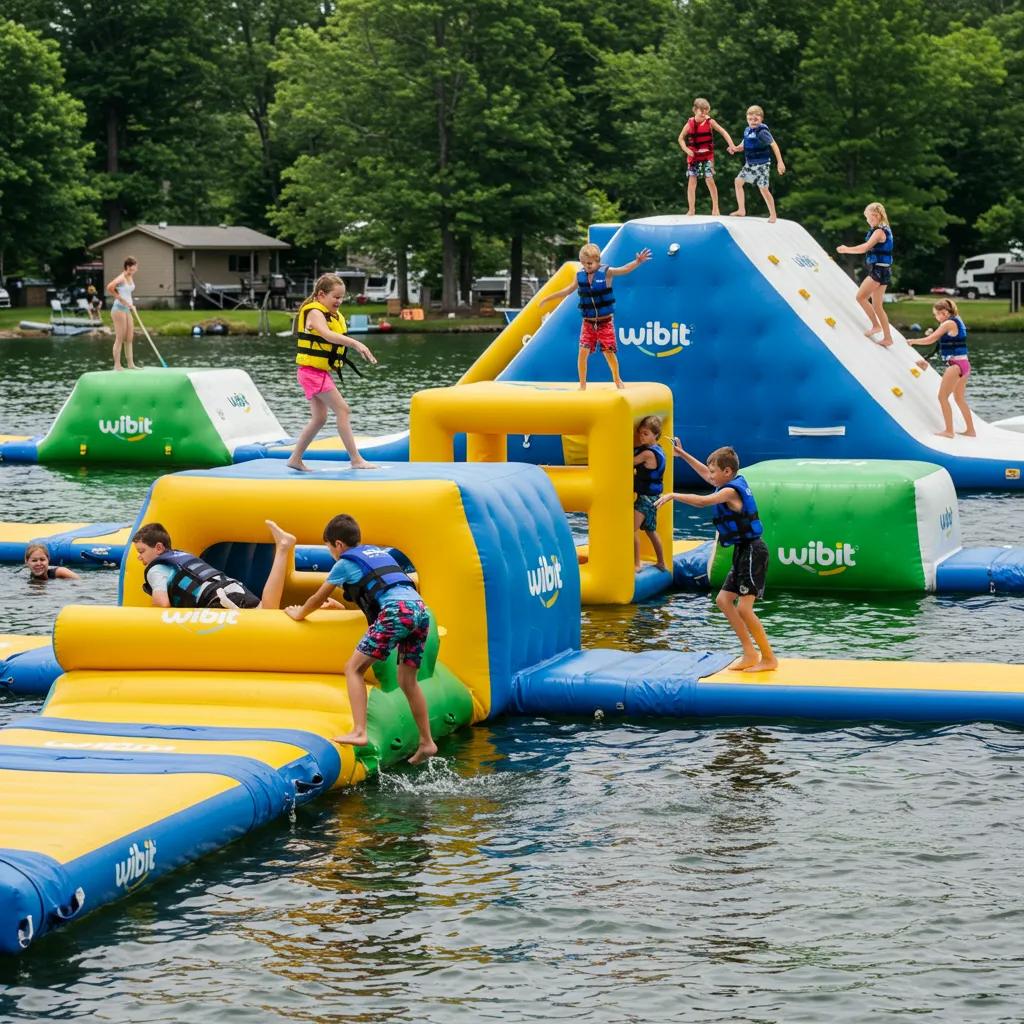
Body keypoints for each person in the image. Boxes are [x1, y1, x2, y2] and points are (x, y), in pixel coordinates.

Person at [286, 514, 437, 764]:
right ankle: (427, 742)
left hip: (396, 611)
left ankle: (359, 731)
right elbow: (377, 590)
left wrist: (298, 612)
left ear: (338, 544)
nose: (331, 553)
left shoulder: (344, 563)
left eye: (329, 548)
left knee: (353, 669)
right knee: (407, 680)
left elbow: (315, 598)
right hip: (420, 611)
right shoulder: (379, 554)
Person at [656, 443, 777, 672]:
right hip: (743, 551)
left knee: (744, 608)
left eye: (714, 472)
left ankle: (769, 658)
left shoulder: (730, 491)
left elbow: (702, 502)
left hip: (753, 551)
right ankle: (750, 653)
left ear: (727, 472)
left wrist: (673, 495)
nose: (709, 476)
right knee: (723, 601)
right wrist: (682, 454)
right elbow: (704, 472)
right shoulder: (725, 484)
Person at [287, 273, 379, 472]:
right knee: (343, 410)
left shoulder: (328, 313)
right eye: (336, 297)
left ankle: (295, 459)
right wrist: (355, 343)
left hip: (315, 373)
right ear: (321, 295)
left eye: (342, 297)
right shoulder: (314, 313)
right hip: (312, 373)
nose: (339, 301)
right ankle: (355, 459)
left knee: (319, 419)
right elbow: (327, 335)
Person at [538, 242, 652, 390]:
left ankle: (617, 379)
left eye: (590, 263)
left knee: (608, 352)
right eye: (584, 263)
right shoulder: (580, 276)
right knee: (582, 353)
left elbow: (624, 269)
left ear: (598, 261)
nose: (587, 266)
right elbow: (567, 290)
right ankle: (582, 385)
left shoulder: (607, 272)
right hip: (588, 323)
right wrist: (548, 298)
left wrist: (637, 262)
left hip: (605, 322)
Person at [132, 520, 297, 609]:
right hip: (230, 588)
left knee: (267, 614)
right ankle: (282, 548)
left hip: (220, 598)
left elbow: (162, 603)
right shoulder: (179, 555)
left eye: (141, 551)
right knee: (268, 609)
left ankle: (282, 548)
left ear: (159, 548)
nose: (139, 557)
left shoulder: (156, 568)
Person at [911, 298, 976, 438]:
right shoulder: (958, 320)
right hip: (964, 364)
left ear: (944, 312)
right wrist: (926, 360)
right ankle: (971, 431)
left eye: (936, 314)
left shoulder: (948, 323)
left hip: (955, 366)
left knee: (942, 397)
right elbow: (940, 345)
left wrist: (912, 341)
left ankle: (949, 431)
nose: (936, 317)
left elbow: (931, 339)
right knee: (959, 398)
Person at [837, 202, 894, 347]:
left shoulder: (879, 232)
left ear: (875, 216)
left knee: (860, 297)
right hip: (885, 270)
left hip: (878, 271)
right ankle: (888, 338)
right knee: (877, 305)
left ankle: (876, 326)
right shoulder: (886, 229)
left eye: (867, 217)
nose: (867, 220)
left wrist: (846, 249)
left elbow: (866, 247)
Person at [677, 98, 737, 217]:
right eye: (702, 111)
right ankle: (691, 209)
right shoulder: (689, 124)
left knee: (709, 179)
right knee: (692, 181)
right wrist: (687, 150)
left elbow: (723, 132)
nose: (704, 114)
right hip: (694, 157)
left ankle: (715, 208)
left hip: (707, 156)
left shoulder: (710, 122)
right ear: (695, 110)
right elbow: (680, 138)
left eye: (706, 111)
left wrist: (732, 145)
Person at [729, 105, 785, 223]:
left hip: (762, 164)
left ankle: (773, 215)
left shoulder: (762, 132)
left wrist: (780, 162)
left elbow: (774, 145)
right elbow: (742, 146)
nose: (753, 122)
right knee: (738, 182)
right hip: (750, 164)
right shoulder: (747, 130)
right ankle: (741, 210)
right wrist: (734, 148)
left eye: (756, 120)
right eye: (750, 119)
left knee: (763, 189)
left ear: (761, 119)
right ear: (747, 119)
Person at [633, 415, 668, 572]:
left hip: (645, 499)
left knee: (630, 530)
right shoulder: (659, 450)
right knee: (650, 531)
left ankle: (637, 564)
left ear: (656, 435)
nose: (641, 437)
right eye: (640, 433)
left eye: (646, 434)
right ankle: (661, 562)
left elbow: (630, 462)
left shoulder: (647, 454)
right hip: (654, 498)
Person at [106, 257, 138, 370]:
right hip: (118, 309)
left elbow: (127, 293)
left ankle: (131, 364)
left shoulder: (130, 276)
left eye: (136, 266)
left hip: (127, 309)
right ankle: (117, 365)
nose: (135, 269)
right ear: (128, 267)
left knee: (129, 337)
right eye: (134, 267)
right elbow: (109, 287)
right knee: (120, 337)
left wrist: (131, 304)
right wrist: (120, 299)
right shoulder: (122, 277)